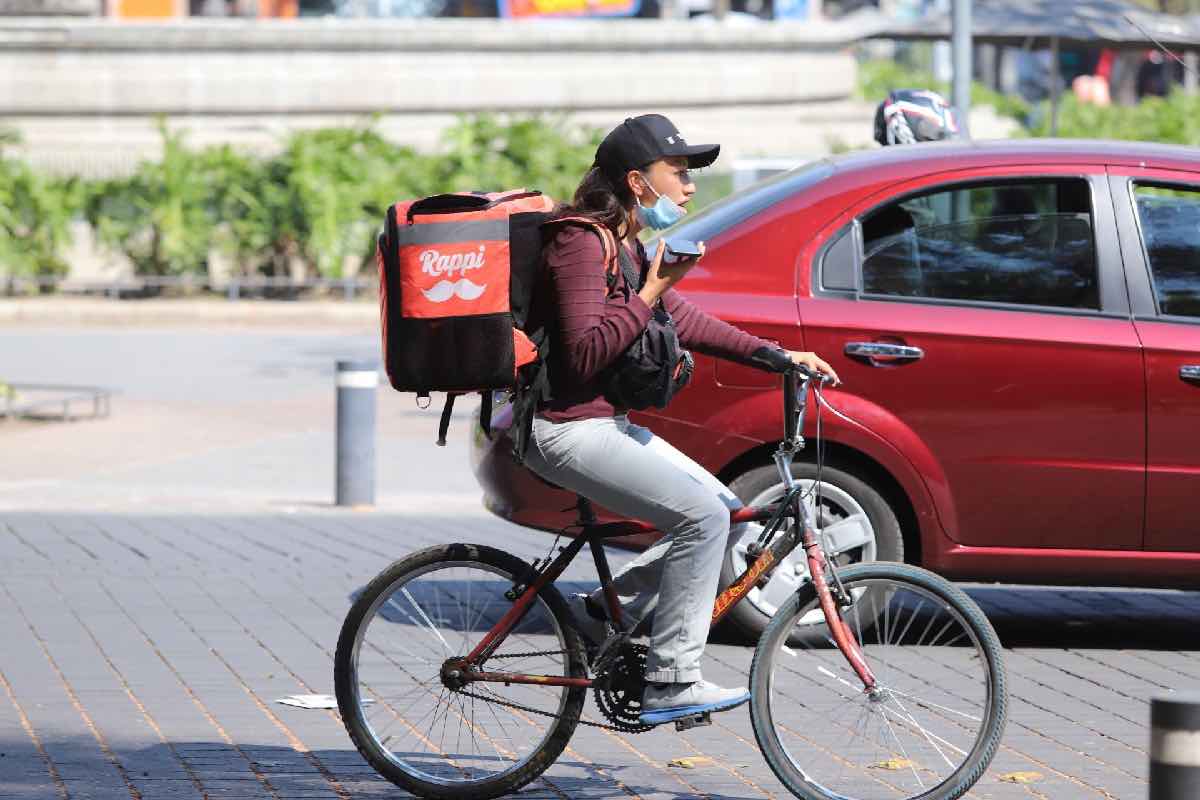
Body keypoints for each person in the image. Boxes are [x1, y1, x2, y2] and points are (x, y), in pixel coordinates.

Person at [522, 113, 839, 727]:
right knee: (701, 517)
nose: (691, 186)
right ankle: (670, 680)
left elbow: (685, 321)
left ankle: (598, 616)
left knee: (723, 509)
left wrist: (776, 357)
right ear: (639, 182)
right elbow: (586, 351)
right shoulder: (580, 242)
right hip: (562, 429)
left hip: (599, 423)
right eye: (681, 173)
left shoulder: (626, 244)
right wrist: (649, 293)